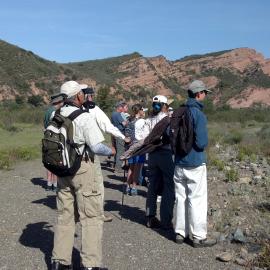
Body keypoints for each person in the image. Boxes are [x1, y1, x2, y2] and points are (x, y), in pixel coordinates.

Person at [51, 81, 115, 270]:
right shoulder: (84, 117)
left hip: (63, 170)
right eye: (82, 93)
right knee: (91, 217)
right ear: (78, 96)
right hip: (83, 169)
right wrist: (111, 151)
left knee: (65, 216)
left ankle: (60, 262)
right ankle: (90, 264)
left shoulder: (57, 115)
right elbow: (96, 146)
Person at [174, 80, 217, 248]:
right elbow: (201, 143)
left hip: (179, 163)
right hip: (195, 163)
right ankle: (198, 237)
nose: (205, 95)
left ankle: (179, 233)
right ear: (199, 94)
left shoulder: (179, 111)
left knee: (181, 198)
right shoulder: (199, 114)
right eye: (205, 92)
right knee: (197, 199)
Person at [82, 87, 130, 221]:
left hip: (70, 154)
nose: (92, 98)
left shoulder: (66, 109)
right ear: (86, 96)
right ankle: (97, 213)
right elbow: (107, 126)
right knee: (96, 183)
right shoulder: (93, 109)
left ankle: (79, 211)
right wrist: (123, 137)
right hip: (88, 152)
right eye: (90, 96)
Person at [142, 95, 175, 229]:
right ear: (164, 106)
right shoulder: (166, 119)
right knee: (169, 186)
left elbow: (143, 138)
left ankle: (150, 217)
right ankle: (166, 220)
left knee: (152, 186)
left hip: (152, 155)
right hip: (165, 153)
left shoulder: (148, 119)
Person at [43, 93, 65, 192]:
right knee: (56, 161)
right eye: (61, 101)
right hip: (55, 139)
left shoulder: (47, 111)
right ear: (58, 102)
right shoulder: (56, 112)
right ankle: (55, 184)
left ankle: (48, 184)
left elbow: (45, 125)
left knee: (48, 160)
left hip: (47, 138)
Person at [125, 103, 147, 196]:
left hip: (131, 146)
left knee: (131, 167)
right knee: (137, 168)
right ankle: (133, 187)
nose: (143, 112)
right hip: (139, 146)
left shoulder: (129, 120)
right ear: (140, 111)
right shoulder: (142, 121)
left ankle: (127, 186)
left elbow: (127, 134)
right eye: (142, 110)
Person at [111, 101, 128, 172]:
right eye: (121, 106)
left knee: (116, 150)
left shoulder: (113, 114)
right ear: (119, 107)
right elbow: (124, 124)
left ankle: (114, 165)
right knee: (120, 151)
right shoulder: (118, 114)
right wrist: (129, 121)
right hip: (119, 134)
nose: (122, 108)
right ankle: (118, 168)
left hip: (114, 133)